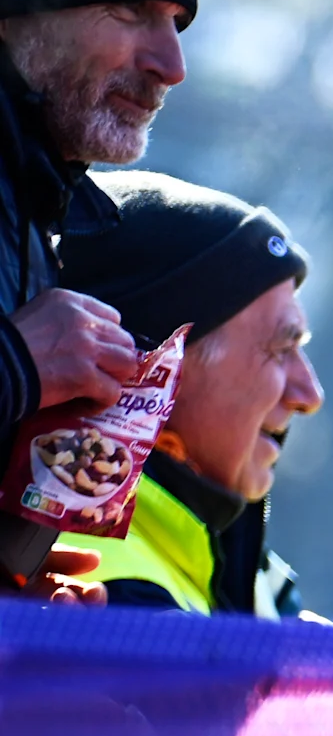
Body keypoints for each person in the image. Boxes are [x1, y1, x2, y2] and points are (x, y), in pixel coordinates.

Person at [0, 0, 194, 487]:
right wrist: (17, 367)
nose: (172, 65)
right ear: (15, 6)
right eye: (131, 8)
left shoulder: (34, 196)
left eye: (178, 20)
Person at [54, 171, 314, 613]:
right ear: (157, 371)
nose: (308, 393)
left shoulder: (229, 561)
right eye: (281, 347)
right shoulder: (112, 600)